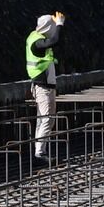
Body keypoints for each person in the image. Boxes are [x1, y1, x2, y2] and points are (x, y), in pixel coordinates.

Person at [25, 11, 65, 161]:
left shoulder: (37, 37)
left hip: (46, 86)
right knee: (46, 119)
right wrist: (59, 24)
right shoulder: (37, 43)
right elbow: (55, 41)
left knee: (44, 119)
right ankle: (40, 153)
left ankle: (39, 151)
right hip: (42, 87)